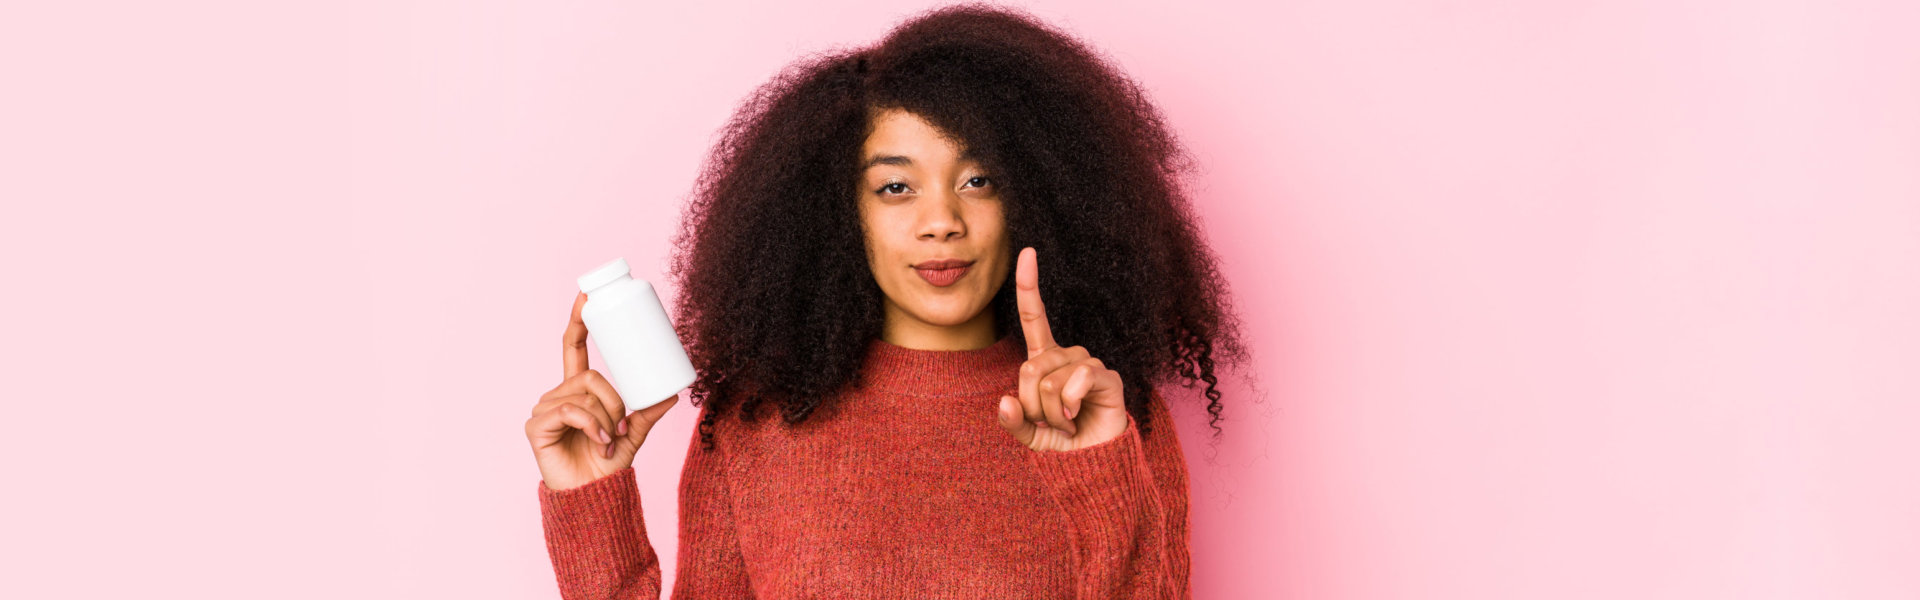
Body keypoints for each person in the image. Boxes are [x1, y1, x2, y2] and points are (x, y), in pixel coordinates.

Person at [524, 4, 1250, 598]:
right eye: (896, 187)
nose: (942, 220)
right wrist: (595, 511)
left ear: (1037, 195)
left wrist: (1097, 473)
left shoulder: (1109, 418)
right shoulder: (758, 421)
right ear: (843, 213)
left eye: (979, 180)